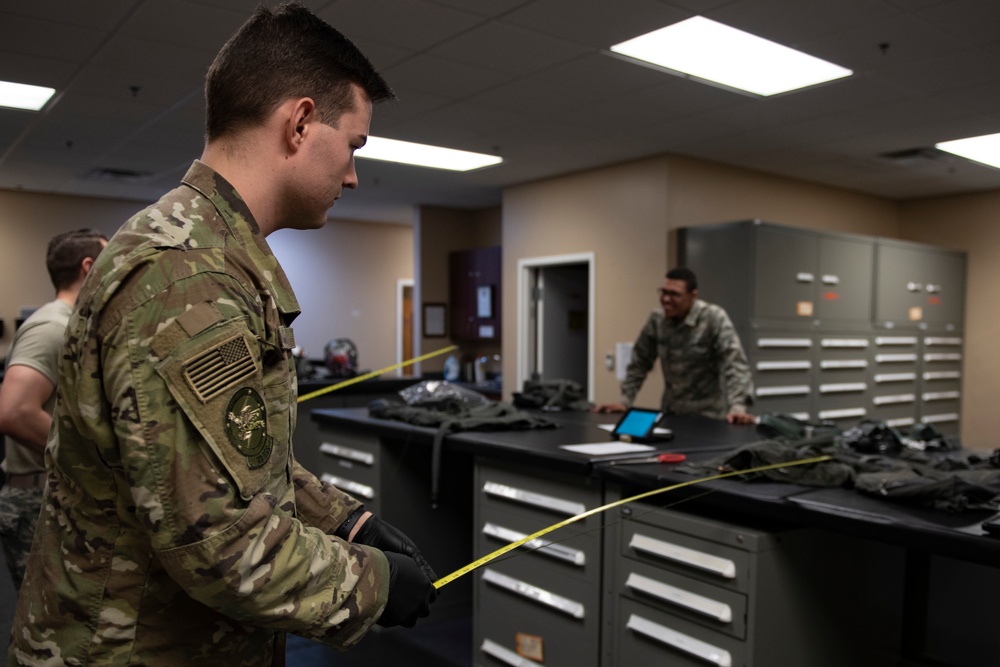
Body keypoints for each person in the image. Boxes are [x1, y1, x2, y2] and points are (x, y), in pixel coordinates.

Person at [9, 4, 436, 665]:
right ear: (298, 124)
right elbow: (223, 544)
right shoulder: (185, 274)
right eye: (353, 145)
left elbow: (234, 468)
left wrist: (348, 519)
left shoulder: (208, 253)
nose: (353, 175)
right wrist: (374, 586)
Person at [0, 229, 107, 589]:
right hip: (38, 498)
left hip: (55, 492)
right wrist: (91, 461)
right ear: (88, 266)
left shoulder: (74, 324)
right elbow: (14, 411)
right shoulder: (51, 327)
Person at [594, 268, 755, 424]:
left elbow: (735, 364)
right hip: (671, 414)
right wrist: (625, 400)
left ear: (693, 295)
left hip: (708, 416)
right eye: (663, 292)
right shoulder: (657, 320)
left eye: (674, 294)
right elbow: (639, 362)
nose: (666, 299)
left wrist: (738, 408)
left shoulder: (712, 317)